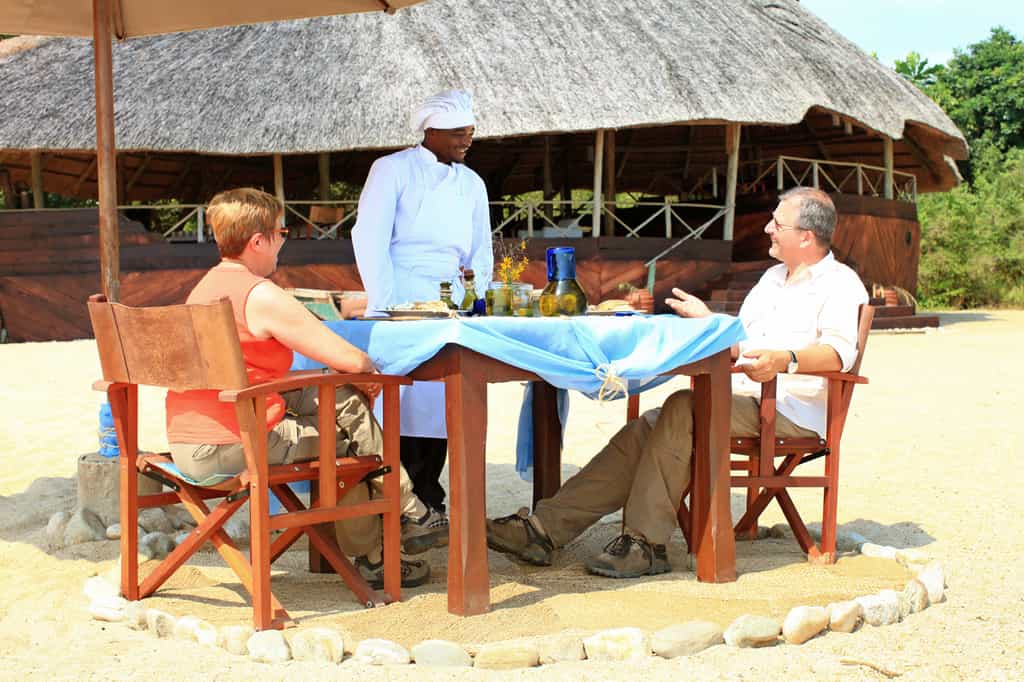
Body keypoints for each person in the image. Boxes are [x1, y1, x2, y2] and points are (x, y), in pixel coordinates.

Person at [486, 187, 868, 578]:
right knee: (647, 428)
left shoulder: (840, 283)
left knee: (683, 408)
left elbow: (839, 354)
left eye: (777, 223)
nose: (768, 228)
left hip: (788, 410)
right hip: (741, 395)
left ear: (806, 236)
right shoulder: (772, 279)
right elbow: (742, 343)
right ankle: (543, 530)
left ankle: (646, 544)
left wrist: (784, 360)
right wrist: (708, 321)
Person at [165, 188, 447, 589]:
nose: (283, 241)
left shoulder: (205, 288)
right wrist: (366, 375)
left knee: (344, 401)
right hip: (233, 441)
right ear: (257, 241)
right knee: (349, 442)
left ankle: (410, 511)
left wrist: (354, 384)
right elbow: (350, 359)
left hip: (193, 435)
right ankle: (381, 550)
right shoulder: (260, 296)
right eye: (281, 232)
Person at [352, 90, 493, 516]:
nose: (466, 141)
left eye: (470, 133)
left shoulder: (472, 183)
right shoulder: (391, 170)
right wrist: (384, 305)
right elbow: (370, 238)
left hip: (450, 301)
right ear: (430, 131)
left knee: (440, 401)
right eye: (458, 134)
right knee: (400, 400)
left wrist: (476, 296)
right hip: (400, 293)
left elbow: (480, 250)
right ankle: (396, 502)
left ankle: (430, 495)